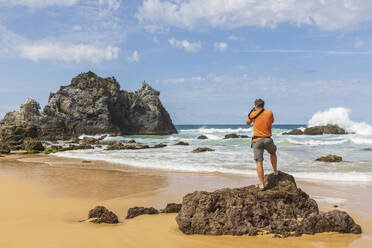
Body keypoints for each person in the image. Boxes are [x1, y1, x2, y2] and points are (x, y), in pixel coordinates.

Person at [246, 99, 278, 190]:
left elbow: (247, 123)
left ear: (255, 106)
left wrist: (252, 112)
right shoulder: (269, 112)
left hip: (257, 141)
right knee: (273, 153)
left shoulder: (253, 114)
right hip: (267, 139)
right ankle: (275, 171)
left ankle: (262, 185)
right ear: (263, 105)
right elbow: (272, 121)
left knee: (259, 163)